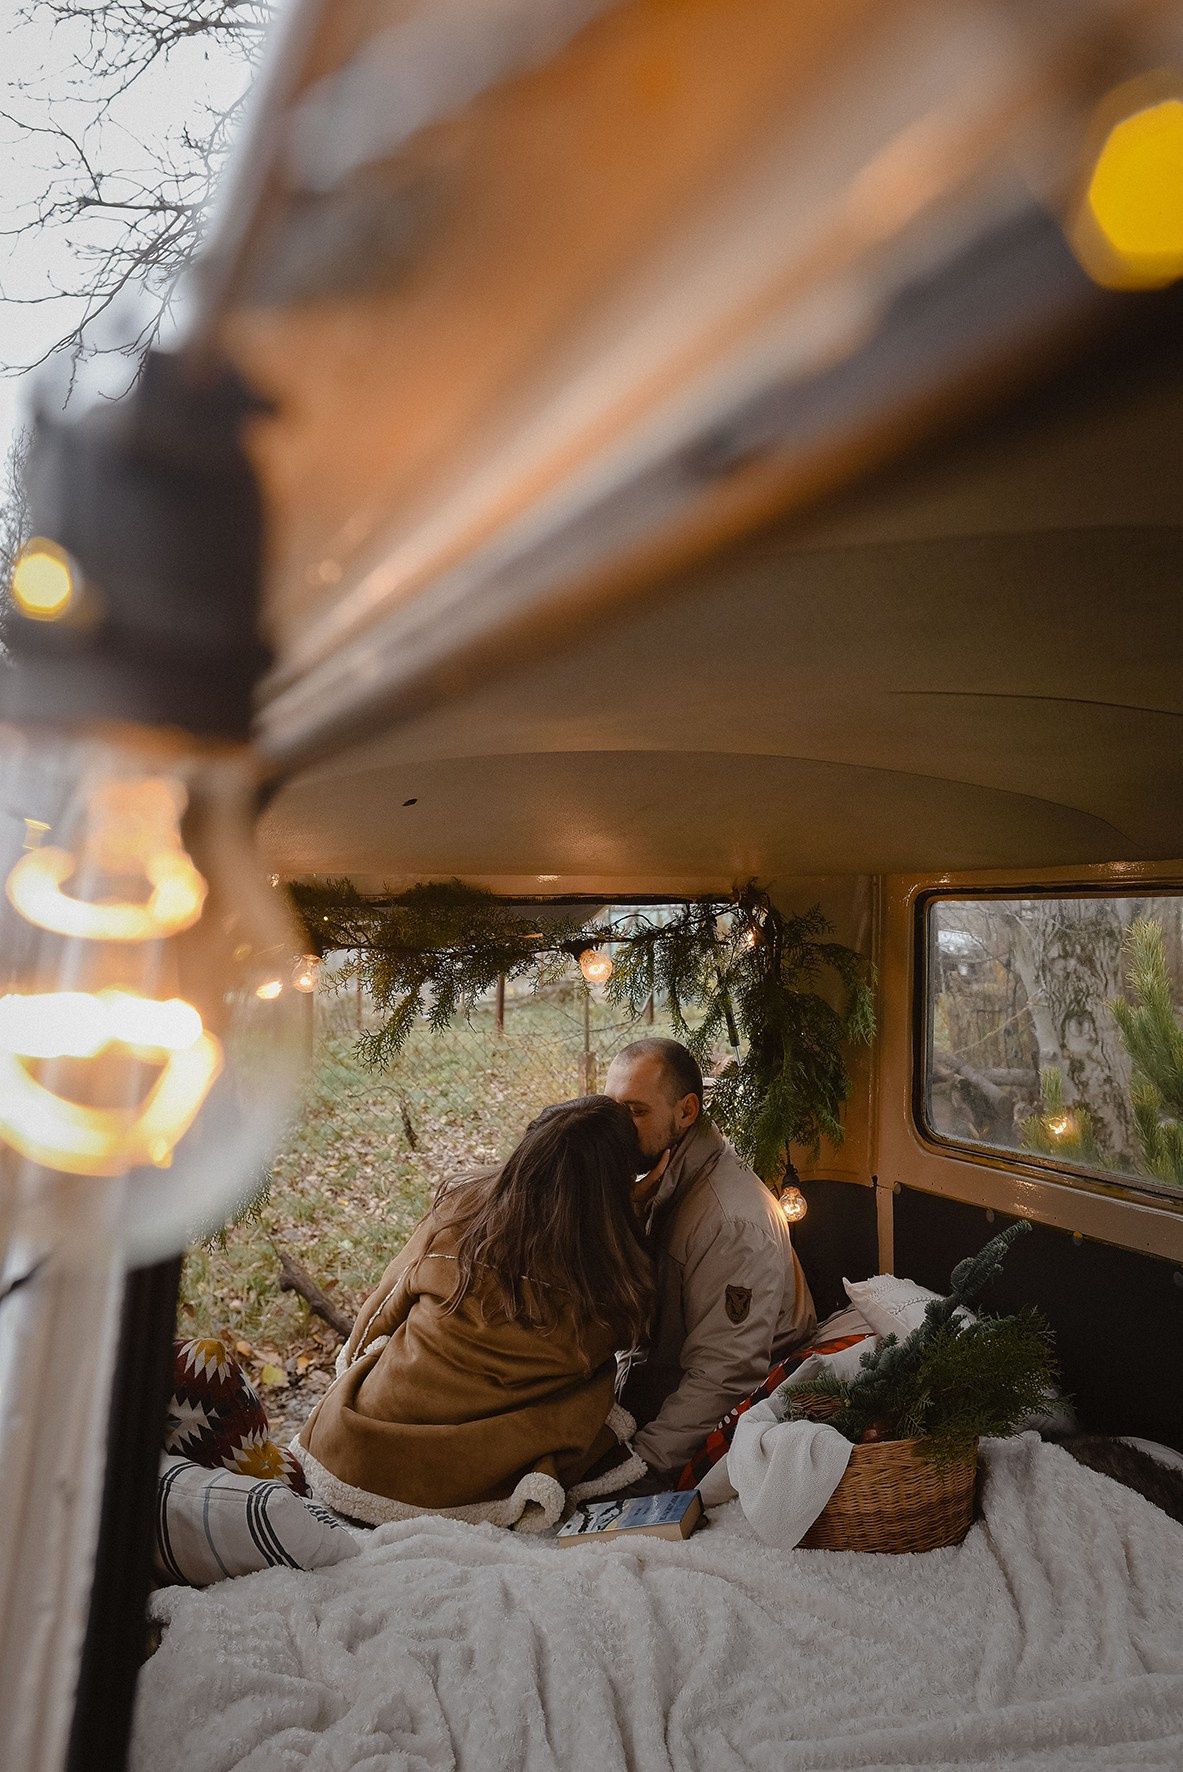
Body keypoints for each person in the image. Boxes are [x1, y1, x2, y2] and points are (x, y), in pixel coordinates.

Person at [294, 1095, 654, 1530]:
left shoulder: (457, 1212)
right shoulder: (614, 1279)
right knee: (587, 1394)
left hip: (357, 1453)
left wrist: (352, 1366)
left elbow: (380, 1313)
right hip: (479, 1477)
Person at [604, 1037, 816, 1484]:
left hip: (702, 1414)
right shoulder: (659, 1183)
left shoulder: (729, 1223)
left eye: (637, 1112)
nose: (619, 1129)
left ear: (686, 1111)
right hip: (657, 1385)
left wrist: (638, 1466)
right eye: (613, 1109)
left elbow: (725, 1376)